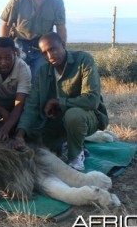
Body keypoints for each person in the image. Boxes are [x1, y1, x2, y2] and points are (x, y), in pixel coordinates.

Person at [14, 32, 109, 171]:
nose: (50, 55)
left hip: (86, 116)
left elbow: (92, 100)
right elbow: (32, 105)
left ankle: (76, 156)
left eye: (52, 49)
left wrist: (59, 102)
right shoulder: (42, 71)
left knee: (73, 115)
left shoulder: (83, 60)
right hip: (56, 120)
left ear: (63, 45)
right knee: (34, 139)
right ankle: (68, 143)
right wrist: (20, 135)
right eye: (44, 53)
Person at [0, 0, 67, 76]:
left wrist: (63, 51)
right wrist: (3, 49)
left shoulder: (57, 1)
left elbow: (61, 27)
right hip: (20, 44)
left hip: (43, 48)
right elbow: (5, 24)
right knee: (17, 77)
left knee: (40, 79)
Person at [0, 37, 31, 141]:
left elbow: (19, 104)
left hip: (15, 105)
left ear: (15, 54)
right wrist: (3, 113)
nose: (3, 63)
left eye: (8, 58)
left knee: (25, 123)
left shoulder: (24, 69)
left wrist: (5, 129)